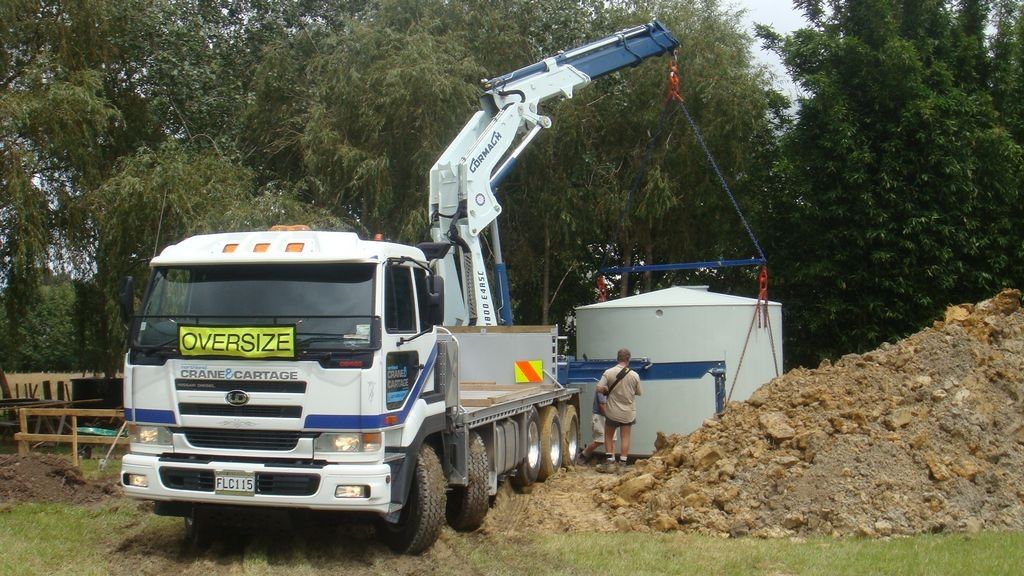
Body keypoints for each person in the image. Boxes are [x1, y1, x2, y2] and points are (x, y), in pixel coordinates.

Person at [596, 348, 642, 469]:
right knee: (625, 436)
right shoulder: (634, 375)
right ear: (628, 359)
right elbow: (639, 392)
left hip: (612, 411)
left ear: (617, 358)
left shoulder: (608, 372)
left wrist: (606, 390)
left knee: (608, 435)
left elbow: (599, 388)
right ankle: (623, 462)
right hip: (628, 412)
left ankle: (610, 461)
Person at [578, 387, 611, 464]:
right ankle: (583, 455)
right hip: (600, 417)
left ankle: (610, 460)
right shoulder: (603, 386)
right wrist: (609, 417)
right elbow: (602, 406)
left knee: (610, 439)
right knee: (600, 440)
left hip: (604, 416)